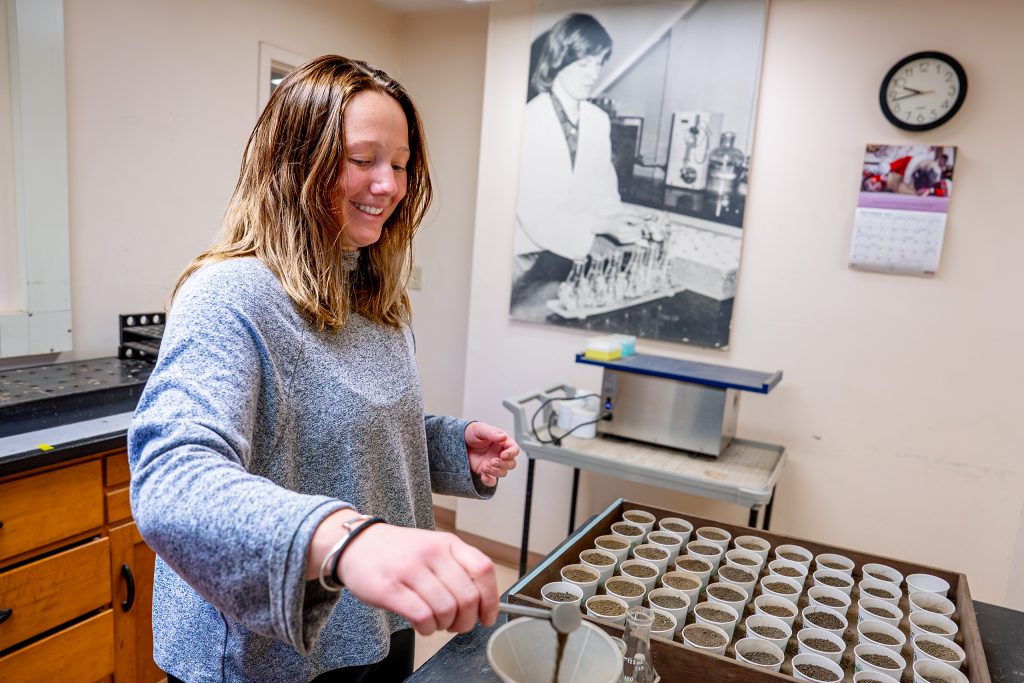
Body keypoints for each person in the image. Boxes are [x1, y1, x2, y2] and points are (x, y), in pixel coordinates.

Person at [128, 55, 521, 683]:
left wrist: (447, 447)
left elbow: (337, 435)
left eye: (399, 164)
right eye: (363, 160)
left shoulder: (377, 300)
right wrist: (346, 540)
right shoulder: (229, 296)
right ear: (293, 165)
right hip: (271, 655)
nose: (388, 184)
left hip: (374, 627)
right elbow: (171, 481)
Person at [511, 13, 641, 308]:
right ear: (559, 59)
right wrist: (603, 225)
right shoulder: (527, 121)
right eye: (584, 63)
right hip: (528, 258)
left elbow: (605, 186)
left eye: (599, 63)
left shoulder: (599, 121)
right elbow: (534, 213)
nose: (594, 74)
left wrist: (620, 219)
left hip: (573, 257)